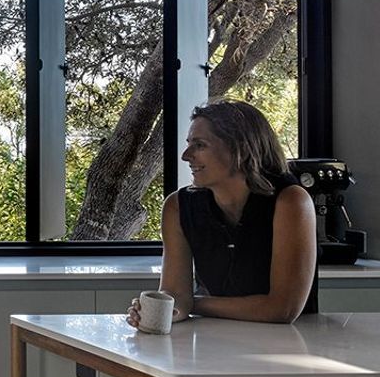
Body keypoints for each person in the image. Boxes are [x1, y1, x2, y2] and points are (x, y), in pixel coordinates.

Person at [129, 100, 317, 328]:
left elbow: (282, 309)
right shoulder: (177, 206)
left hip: (292, 346)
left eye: (200, 145)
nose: (186, 155)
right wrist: (163, 310)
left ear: (241, 149)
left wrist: (191, 304)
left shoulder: (291, 201)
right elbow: (175, 294)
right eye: (189, 144)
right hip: (214, 342)